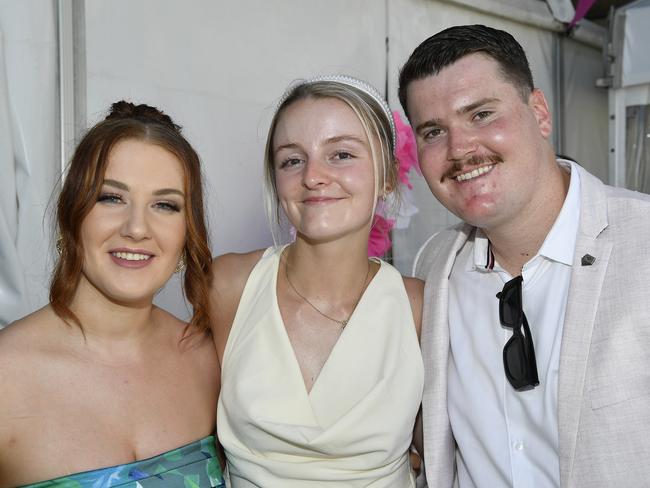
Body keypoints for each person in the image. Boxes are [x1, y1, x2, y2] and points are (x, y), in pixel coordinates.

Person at [398, 24, 650, 487]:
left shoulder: (643, 242)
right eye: (434, 131)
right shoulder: (433, 266)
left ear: (539, 112)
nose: (459, 149)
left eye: (481, 114)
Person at [211, 75, 424, 487]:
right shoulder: (228, 286)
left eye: (341, 154)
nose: (313, 176)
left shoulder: (421, 308)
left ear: (388, 177)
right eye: (292, 160)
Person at [0, 102, 225, 487]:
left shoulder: (209, 360)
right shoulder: (7, 376)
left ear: (188, 233)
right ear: (73, 213)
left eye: (165, 205)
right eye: (111, 198)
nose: (137, 228)